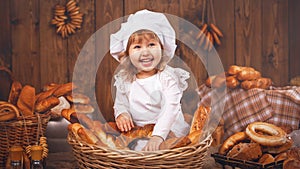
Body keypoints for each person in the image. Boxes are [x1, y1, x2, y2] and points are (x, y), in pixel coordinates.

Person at [110, 9, 190, 151]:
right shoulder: (126, 79)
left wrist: (158, 136)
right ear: (127, 54)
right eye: (137, 47)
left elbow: (171, 108)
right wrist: (122, 114)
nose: (145, 52)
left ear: (162, 48)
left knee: (164, 150)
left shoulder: (168, 77)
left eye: (152, 45)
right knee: (132, 150)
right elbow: (121, 103)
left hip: (168, 132)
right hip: (138, 131)